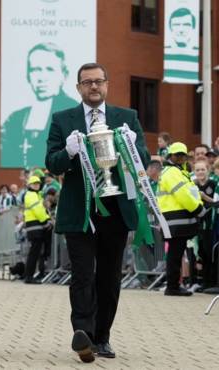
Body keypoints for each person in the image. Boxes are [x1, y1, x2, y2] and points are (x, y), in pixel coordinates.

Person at [46, 63, 150, 362]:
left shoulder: (126, 117)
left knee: (109, 276)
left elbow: (143, 159)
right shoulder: (63, 119)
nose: (94, 87)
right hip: (80, 210)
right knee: (82, 274)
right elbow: (52, 162)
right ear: (78, 87)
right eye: (87, 82)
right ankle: (83, 334)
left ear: (107, 85)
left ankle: (102, 337)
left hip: (115, 208)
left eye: (99, 82)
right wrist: (67, 152)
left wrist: (132, 145)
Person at [0, 42, 78, 168]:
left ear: (64, 75)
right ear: (28, 76)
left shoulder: (73, 112)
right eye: (35, 69)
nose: (42, 78)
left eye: (49, 69)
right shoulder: (15, 118)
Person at [158, 143, 204, 297]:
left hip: (176, 218)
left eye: (182, 155)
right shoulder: (172, 172)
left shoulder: (178, 171)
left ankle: (173, 285)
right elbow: (183, 194)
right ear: (170, 156)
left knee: (176, 253)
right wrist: (198, 209)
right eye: (176, 155)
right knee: (175, 253)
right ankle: (172, 287)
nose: (180, 157)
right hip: (176, 218)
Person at [23, 176, 52, 284]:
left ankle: (29, 275)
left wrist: (47, 218)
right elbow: (37, 210)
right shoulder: (31, 195)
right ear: (29, 185)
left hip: (35, 225)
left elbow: (42, 210)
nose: (37, 185)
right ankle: (29, 276)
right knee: (34, 252)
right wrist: (45, 221)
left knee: (34, 252)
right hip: (35, 225)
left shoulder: (36, 195)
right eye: (34, 183)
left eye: (38, 183)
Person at [193, 160, 216, 289]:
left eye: (203, 169)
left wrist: (205, 197)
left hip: (210, 224)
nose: (200, 172)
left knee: (209, 252)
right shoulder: (193, 186)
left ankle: (211, 282)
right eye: (198, 170)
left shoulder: (213, 184)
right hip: (198, 224)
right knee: (200, 253)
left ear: (208, 170)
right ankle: (203, 281)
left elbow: (216, 203)